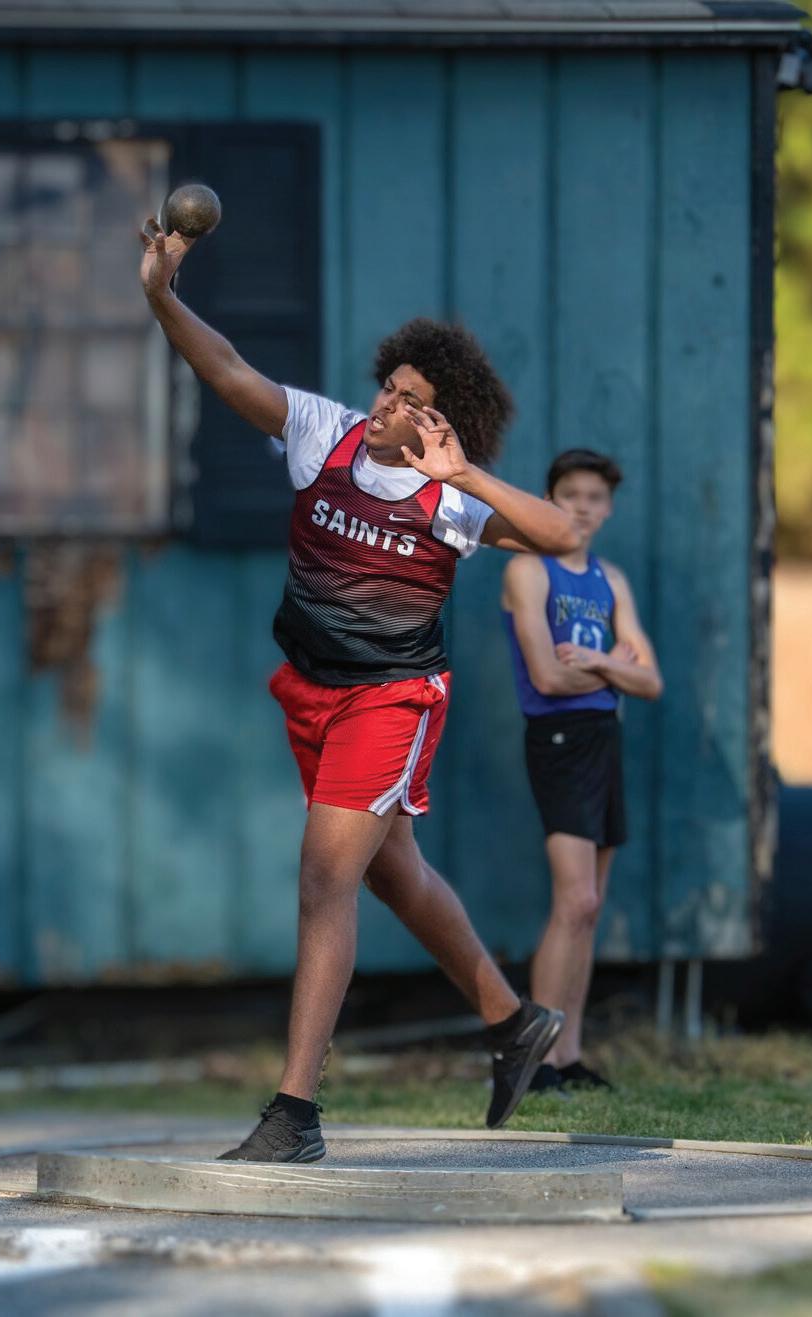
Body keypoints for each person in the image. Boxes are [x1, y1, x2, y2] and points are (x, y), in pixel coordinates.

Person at [139, 216, 579, 1162]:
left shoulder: (451, 498)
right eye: (391, 386)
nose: (389, 404)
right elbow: (226, 369)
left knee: (324, 877)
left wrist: (470, 475)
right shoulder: (324, 433)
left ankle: (295, 1114)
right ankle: (513, 1023)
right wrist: (163, 296)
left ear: (440, 423)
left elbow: (562, 536)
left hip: (392, 698)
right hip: (311, 690)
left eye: (413, 401)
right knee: (392, 872)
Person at [501, 449, 663, 1093]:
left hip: (604, 737)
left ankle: (568, 1054)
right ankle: (534, 1060)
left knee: (590, 910)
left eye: (595, 497)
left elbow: (650, 681)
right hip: (559, 739)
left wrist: (597, 663)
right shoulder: (528, 571)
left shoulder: (610, 579)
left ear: (609, 508)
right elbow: (546, 676)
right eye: (571, 494)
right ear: (550, 500)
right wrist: (617, 668)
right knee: (577, 900)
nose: (583, 507)